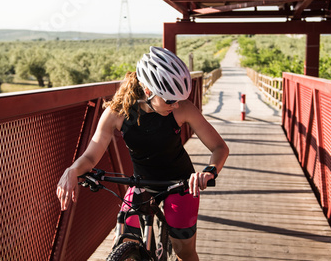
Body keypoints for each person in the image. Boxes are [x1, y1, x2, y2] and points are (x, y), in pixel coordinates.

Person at [56, 46, 229, 261]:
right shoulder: (117, 113)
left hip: (181, 184)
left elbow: (219, 147)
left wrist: (209, 171)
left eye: (178, 99)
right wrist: (73, 170)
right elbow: (91, 157)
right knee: (124, 238)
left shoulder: (183, 108)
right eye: (169, 100)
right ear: (148, 91)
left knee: (184, 251)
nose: (175, 105)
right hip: (141, 183)